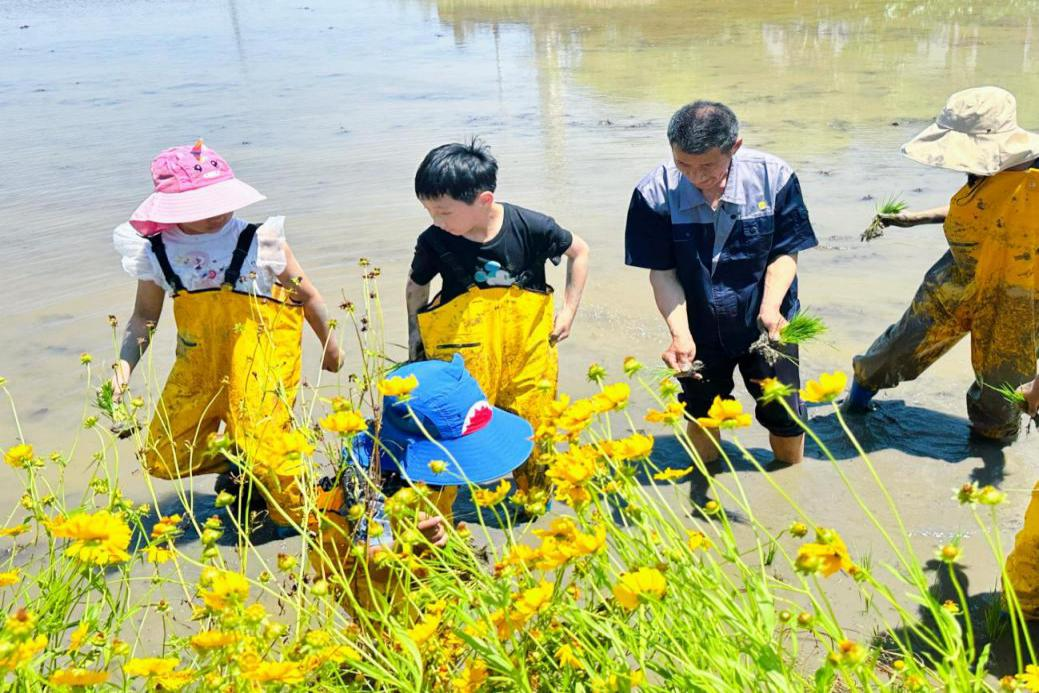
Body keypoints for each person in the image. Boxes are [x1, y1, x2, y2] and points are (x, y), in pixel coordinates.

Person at [112, 139, 343, 527]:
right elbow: (143, 318)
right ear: (172, 208)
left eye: (221, 201)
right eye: (202, 208)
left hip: (260, 364)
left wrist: (330, 345)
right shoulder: (155, 251)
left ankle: (313, 517)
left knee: (273, 462)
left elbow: (306, 294)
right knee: (162, 454)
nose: (217, 214)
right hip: (198, 366)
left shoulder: (262, 240)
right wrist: (122, 371)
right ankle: (241, 464)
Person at [625, 100, 818, 466]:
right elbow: (663, 274)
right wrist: (679, 335)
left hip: (767, 323)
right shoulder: (653, 193)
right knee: (702, 409)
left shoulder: (774, 177)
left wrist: (771, 307)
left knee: (785, 412)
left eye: (708, 166)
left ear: (735, 147)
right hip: (697, 325)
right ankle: (706, 475)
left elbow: (785, 253)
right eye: (684, 164)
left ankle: (791, 485)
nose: (696, 177)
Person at [405, 139, 590, 516]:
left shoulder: (530, 226)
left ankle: (534, 500)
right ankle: (438, 513)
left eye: (444, 212)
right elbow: (415, 287)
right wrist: (416, 339)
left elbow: (580, 252)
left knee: (534, 425)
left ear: (484, 200)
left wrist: (568, 311)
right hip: (465, 351)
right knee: (453, 426)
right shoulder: (435, 241)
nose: (436, 222)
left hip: (529, 351)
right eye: (429, 212)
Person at [846, 86, 1039, 442]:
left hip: (1017, 300)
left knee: (1000, 402)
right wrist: (918, 217)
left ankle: (983, 461)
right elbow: (986, 211)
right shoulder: (985, 174)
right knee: (895, 351)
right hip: (957, 276)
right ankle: (852, 410)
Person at [309, 355, 533, 612]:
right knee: (392, 633)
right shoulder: (367, 475)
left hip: (423, 542)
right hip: (367, 570)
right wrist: (410, 543)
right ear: (425, 450)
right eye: (460, 453)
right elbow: (369, 553)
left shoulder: (436, 466)